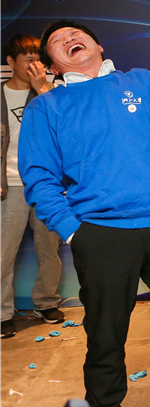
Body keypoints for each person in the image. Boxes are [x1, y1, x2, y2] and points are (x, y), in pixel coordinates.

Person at [19, 20, 150, 407]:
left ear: (98, 45)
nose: (69, 38)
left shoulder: (141, 82)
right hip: (101, 232)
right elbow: (38, 176)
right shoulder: (47, 106)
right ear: (52, 65)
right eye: (57, 41)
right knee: (106, 336)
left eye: (76, 34)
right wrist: (72, 230)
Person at [2, 33, 64, 338]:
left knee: (49, 249)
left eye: (39, 60)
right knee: (3, 253)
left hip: (44, 184)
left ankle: (46, 301)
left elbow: (66, 125)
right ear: (11, 62)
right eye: (29, 60)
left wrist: (42, 88)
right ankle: (3, 312)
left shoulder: (50, 93)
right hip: (9, 185)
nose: (35, 66)